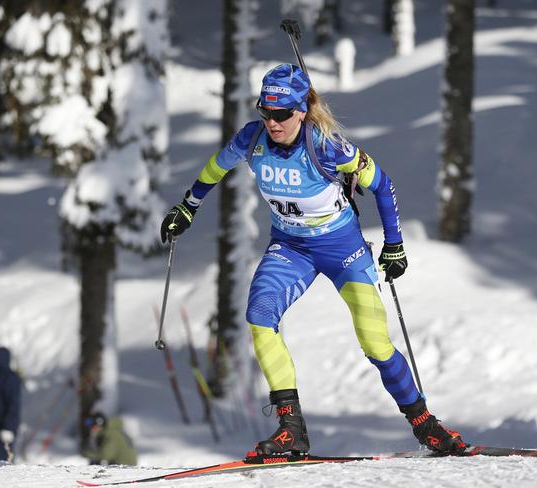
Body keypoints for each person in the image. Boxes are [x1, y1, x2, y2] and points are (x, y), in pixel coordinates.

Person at [160, 63, 465, 455]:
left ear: (301, 111)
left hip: (343, 250)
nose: (272, 122)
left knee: (374, 342)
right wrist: (188, 207)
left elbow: (383, 186)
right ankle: (292, 429)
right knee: (259, 315)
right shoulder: (251, 140)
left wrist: (395, 244)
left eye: (282, 113)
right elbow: (215, 168)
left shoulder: (326, 145)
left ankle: (426, 425)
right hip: (290, 247)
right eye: (265, 112)